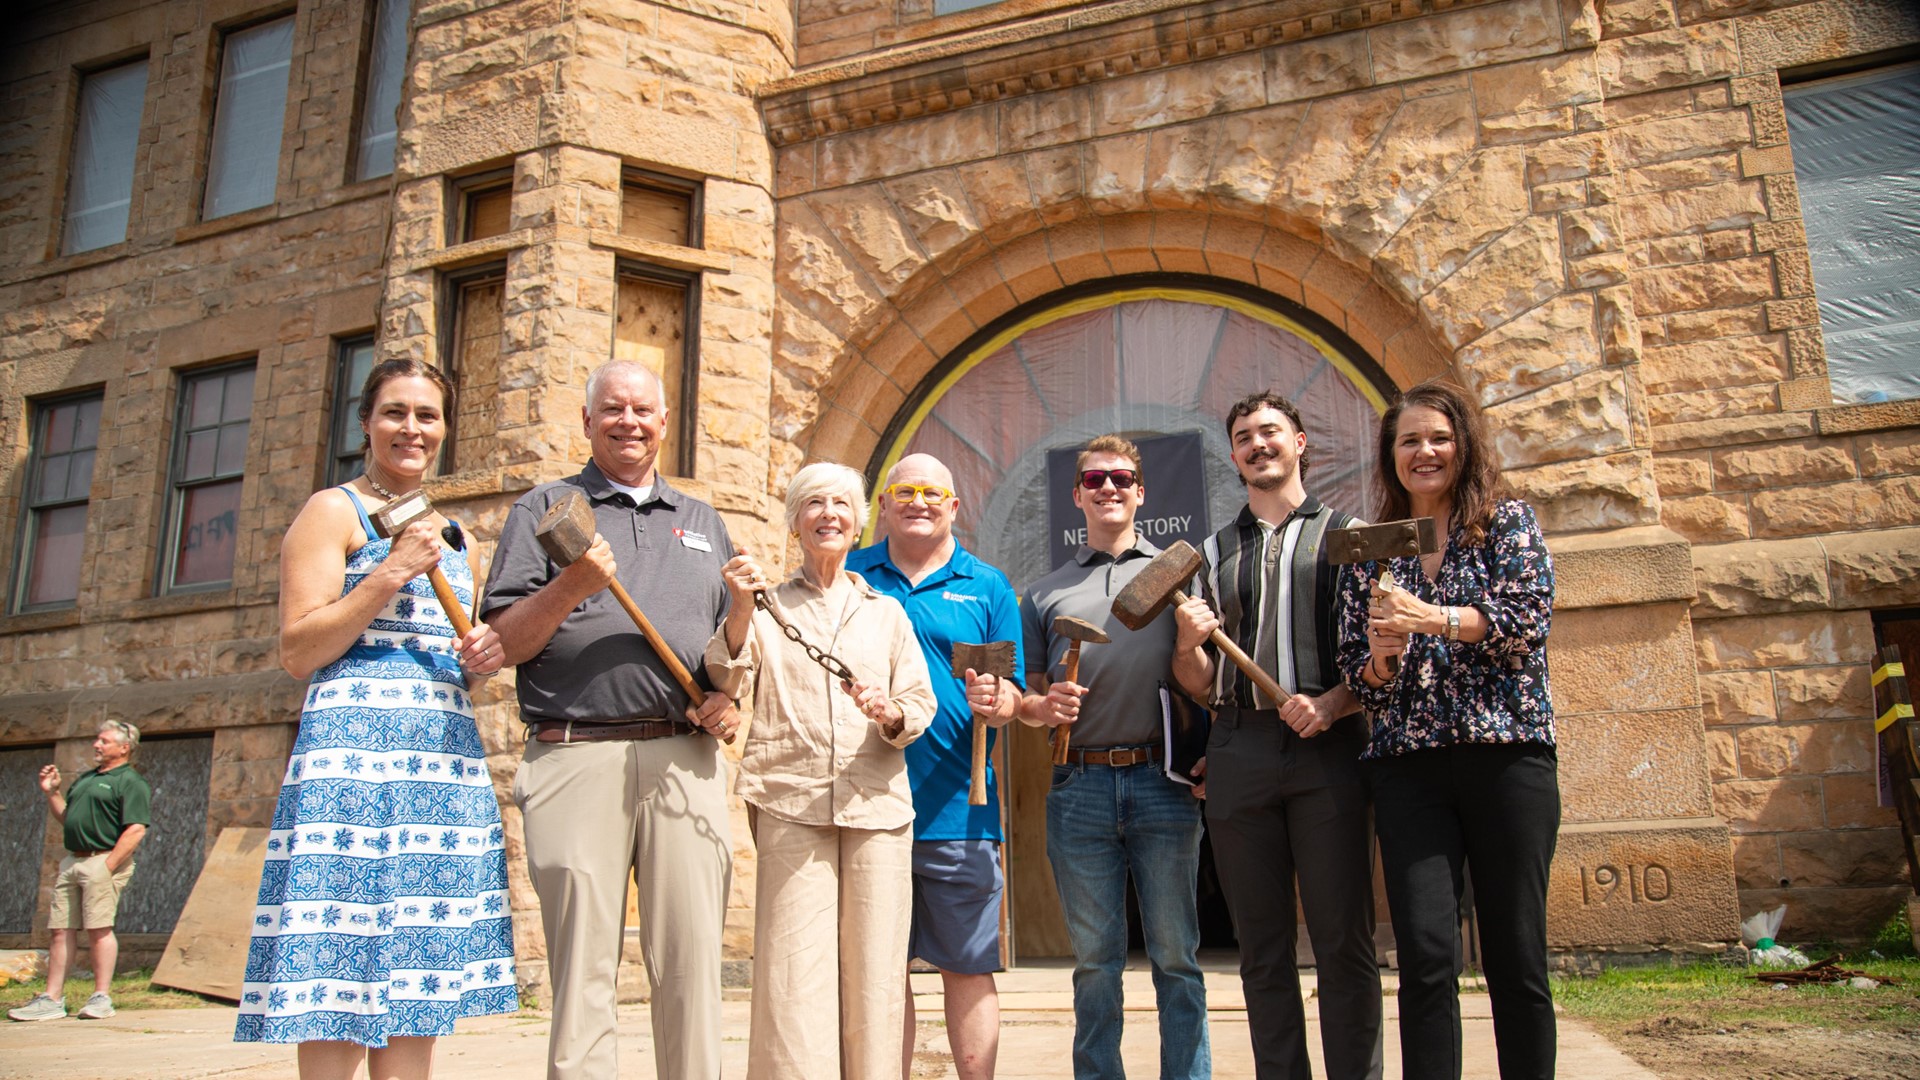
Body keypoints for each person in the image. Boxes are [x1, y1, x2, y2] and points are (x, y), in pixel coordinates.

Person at [234, 358, 517, 1077]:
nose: (411, 428)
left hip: (439, 768)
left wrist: (480, 660)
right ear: (366, 423)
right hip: (351, 769)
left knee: (418, 979)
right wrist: (391, 571)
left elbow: (455, 659)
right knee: (338, 967)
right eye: (395, 412)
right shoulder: (332, 511)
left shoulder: (457, 535)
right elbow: (299, 650)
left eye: (427, 415)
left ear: (444, 430)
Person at [483, 360, 741, 1080]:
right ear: (588, 420)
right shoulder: (543, 509)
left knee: (692, 966)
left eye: (643, 410)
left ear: (664, 422)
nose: (630, 421)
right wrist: (574, 584)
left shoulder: (703, 522)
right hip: (574, 755)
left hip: (683, 758)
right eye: (614, 409)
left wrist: (728, 697)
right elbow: (506, 642)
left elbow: (730, 648)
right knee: (582, 969)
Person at [1333, 379, 1559, 1080]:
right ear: (1390, 456)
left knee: (1516, 952)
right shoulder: (1373, 550)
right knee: (1426, 958)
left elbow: (1526, 620)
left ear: (1464, 445)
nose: (1424, 452)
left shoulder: (1506, 523)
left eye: (1439, 437)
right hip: (1409, 767)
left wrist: (1431, 618)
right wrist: (1381, 658)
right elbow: (1356, 672)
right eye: (1409, 441)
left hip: (1507, 757)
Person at [1171, 392, 1383, 1080]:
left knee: (1342, 941)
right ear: (1234, 457)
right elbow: (1199, 683)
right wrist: (1187, 644)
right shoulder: (1209, 554)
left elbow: (1381, 656)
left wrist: (1335, 703)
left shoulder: (1350, 536)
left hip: (1329, 746)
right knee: (1261, 950)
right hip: (1240, 747)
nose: (1258, 444)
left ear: (1299, 442)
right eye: (1243, 437)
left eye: (1270, 431)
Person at [707, 461, 937, 1080]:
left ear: (859, 523)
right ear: (794, 523)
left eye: (840, 504)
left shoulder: (886, 613)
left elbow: (920, 703)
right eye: (813, 503)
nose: (828, 514)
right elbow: (724, 676)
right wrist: (738, 606)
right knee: (790, 974)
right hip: (789, 799)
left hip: (878, 807)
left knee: (876, 975)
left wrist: (892, 713)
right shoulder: (765, 609)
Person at [1017, 434, 1209, 1080]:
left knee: (1176, 957)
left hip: (1163, 782)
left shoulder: (1179, 575)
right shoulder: (1044, 593)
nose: (1108, 488)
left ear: (1141, 492)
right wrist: (1045, 706)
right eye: (1095, 480)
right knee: (1096, 963)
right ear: (1077, 495)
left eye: (1121, 479)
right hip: (1080, 787)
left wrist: (1188, 644)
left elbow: (1204, 684)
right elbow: (1029, 695)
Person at [843, 453, 1023, 1080]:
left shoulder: (988, 585)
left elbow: (1014, 695)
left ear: (953, 507)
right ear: (883, 505)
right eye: (905, 491)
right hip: (864, 803)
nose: (918, 502)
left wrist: (1000, 701)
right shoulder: (850, 575)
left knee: (968, 965)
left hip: (957, 808)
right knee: (880, 971)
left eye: (931, 493)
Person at [9, 721, 151, 1022]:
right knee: (60, 929)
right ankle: (52, 999)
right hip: (73, 860)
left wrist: (108, 866)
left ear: (124, 748)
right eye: (97, 740)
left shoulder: (130, 781)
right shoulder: (86, 779)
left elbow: (136, 829)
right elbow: (68, 818)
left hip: (103, 859)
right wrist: (52, 793)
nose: (96, 745)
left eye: (104, 741)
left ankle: (101, 997)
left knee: (99, 929)